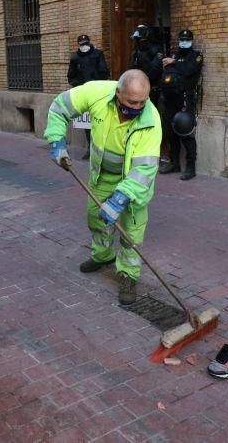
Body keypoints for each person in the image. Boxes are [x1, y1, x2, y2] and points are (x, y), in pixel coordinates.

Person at [45, 70, 161, 305]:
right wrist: (57, 140)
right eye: (131, 102)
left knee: (131, 232)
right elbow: (59, 108)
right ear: (118, 93)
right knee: (96, 219)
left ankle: (128, 275)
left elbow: (144, 171)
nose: (137, 107)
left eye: (142, 101)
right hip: (102, 176)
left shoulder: (151, 120)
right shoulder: (95, 92)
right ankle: (102, 256)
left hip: (132, 184)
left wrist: (119, 200)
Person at [159, 29, 204, 180]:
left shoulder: (196, 56)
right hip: (171, 98)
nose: (184, 41)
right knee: (171, 132)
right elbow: (169, 72)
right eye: (182, 39)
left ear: (191, 40)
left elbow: (188, 70)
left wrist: (174, 63)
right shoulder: (175, 55)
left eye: (187, 39)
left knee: (185, 131)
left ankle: (191, 167)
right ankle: (174, 162)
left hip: (185, 98)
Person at [67, 34, 110, 160]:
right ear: (78, 45)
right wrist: (78, 87)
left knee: (100, 121)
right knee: (87, 124)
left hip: (97, 93)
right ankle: (90, 148)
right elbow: (71, 75)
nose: (84, 46)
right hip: (84, 94)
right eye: (82, 44)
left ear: (89, 43)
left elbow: (104, 72)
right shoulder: (75, 57)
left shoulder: (97, 54)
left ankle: (101, 148)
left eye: (86, 43)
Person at [129, 24, 164, 105]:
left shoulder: (156, 49)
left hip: (153, 87)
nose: (139, 41)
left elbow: (155, 70)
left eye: (141, 39)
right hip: (139, 87)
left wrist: (142, 78)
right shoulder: (136, 51)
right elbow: (132, 68)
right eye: (137, 39)